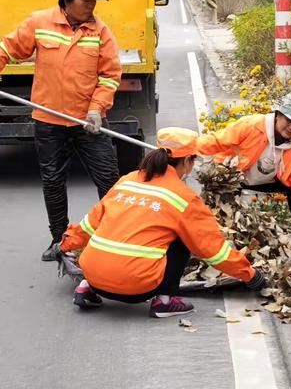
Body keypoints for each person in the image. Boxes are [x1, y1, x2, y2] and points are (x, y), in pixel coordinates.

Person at [0, 0, 121, 260]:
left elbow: (110, 76)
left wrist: (96, 109)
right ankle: (60, 239)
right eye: (85, 0)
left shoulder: (100, 31)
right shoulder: (40, 23)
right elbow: (6, 49)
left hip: (87, 122)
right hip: (49, 121)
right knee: (53, 181)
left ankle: (112, 237)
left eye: (94, 0)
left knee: (109, 180)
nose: (92, 6)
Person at [47, 127, 267, 318]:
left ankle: (87, 289)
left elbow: (88, 225)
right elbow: (213, 251)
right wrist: (250, 275)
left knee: (116, 225)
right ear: (188, 162)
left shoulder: (127, 181)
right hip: (138, 288)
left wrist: (64, 245)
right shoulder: (184, 198)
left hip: (93, 275)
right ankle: (164, 301)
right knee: (183, 238)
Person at [197, 93, 291, 241]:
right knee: (220, 207)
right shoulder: (250, 126)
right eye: (288, 120)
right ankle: (212, 230)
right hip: (234, 176)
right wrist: (188, 150)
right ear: (277, 115)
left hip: (268, 181)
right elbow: (217, 141)